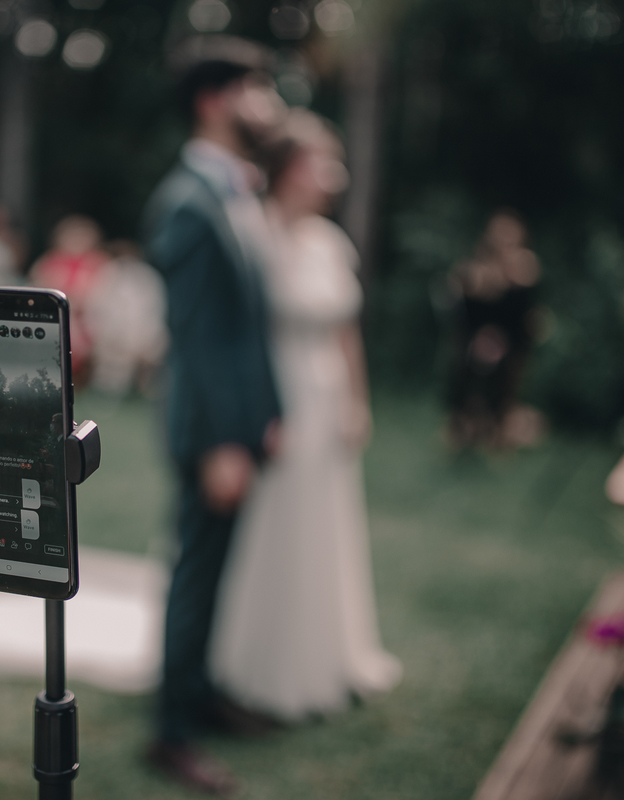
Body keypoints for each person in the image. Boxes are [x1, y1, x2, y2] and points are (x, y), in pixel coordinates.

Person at [209, 109, 402, 722]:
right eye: (325, 161)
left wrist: (357, 403)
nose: (336, 175)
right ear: (292, 168)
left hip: (326, 401)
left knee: (325, 525)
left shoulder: (329, 242)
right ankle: (256, 665)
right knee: (275, 529)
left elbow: (347, 335)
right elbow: (240, 340)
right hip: (277, 404)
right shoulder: (255, 236)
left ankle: (328, 653)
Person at [141, 36, 286, 796]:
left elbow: (248, 324)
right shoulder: (187, 201)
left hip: (241, 427)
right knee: (194, 575)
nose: (267, 103)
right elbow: (196, 341)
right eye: (253, 89)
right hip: (207, 434)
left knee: (218, 568)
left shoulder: (237, 189)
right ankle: (169, 733)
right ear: (211, 99)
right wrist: (219, 443)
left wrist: (269, 412)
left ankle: (197, 693)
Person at [446, 210, 542, 449]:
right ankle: (463, 425)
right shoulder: (475, 266)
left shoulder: (525, 266)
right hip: (475, 339)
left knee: (505, 378)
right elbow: (461, 285)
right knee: (465, 367)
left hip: (509, 342)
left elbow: (524, 291)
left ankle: (497, 428)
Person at [28, 215, 110, 385]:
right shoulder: (50, 261)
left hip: (89, 317)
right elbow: (39, 286)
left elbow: (103, 294)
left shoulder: (97, 262)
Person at [85, 240, 168, 396]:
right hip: (111, 338)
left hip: (143, 335)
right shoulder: (107, 274)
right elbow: (97, 308)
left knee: (150, 377)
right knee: (110, 377)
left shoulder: (147, 276)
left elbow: (153, 310)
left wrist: (146, 339)